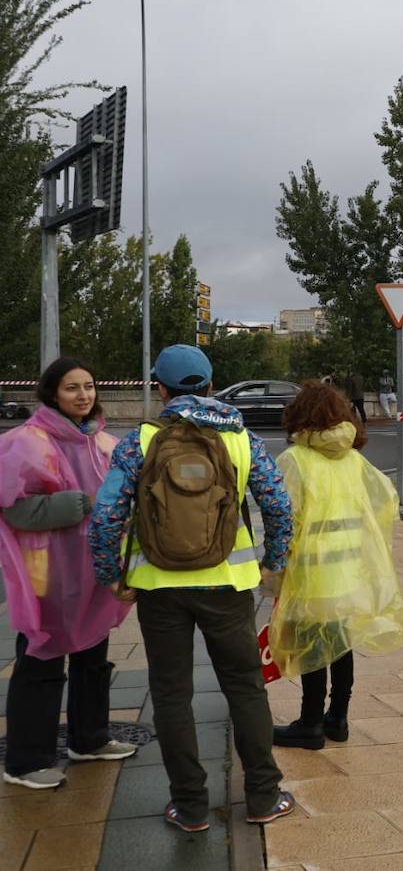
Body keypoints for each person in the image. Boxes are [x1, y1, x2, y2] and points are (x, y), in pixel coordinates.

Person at [88, 344, 295, 831]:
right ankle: (263, 797)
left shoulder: (139, 441)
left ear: (159, 387)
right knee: (244, 688)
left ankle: (191, 806)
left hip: (159, 588)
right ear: (210, 382)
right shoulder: (241, 439)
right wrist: (273, 561)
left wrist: (110, 574)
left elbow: (105, 519)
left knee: (172, 694)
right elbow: (279, 506)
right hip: (228, 584)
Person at [0, 358, 136, 790]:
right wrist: (78, 504)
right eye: (72, 388)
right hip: (50, 571)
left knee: (93, 655)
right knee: (41, 659)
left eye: (89, 387)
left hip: (95, 569)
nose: (83, 396)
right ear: (51, 393)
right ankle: (25, 760)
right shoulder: (29, 442)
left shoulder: (104, 444)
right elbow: (14, 508)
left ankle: (90, 739)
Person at [269, 383, 403, 750]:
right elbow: (384, 500)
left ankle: (310, 722)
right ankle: (339, 718)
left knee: (314, 644)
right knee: (341, 643)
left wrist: (274, 571)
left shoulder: (295, 460)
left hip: (311, 571)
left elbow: (283, 521)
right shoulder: (352, 459)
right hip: (349, 571)